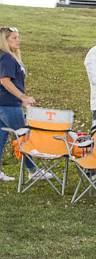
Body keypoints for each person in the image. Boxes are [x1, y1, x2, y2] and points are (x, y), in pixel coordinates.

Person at [0, 26, 46, 183]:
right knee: (23, 136)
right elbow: (4, 81)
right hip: (9, 105)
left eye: (18, 37)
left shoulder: (8, 57)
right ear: (4, 41)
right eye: (13, 38)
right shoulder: (6, 57)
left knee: (1, 137)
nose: (18, 40)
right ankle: (33, 170)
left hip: (5, 104)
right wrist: (22, 97)